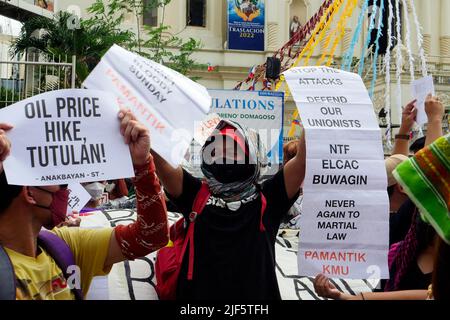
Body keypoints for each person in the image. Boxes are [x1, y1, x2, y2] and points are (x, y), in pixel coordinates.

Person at [0, 110, 169, 300]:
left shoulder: (64, 246)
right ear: (30, 192)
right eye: (62, 183)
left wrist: (142, 165)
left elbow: (152, 236)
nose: (68, 191)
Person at [152, 120, 306, 300]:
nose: (223, 157)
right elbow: (160, 161)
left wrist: (313, 113)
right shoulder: (194, 195)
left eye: (233, 151)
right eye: (215, 152)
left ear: (252, 155)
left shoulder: (270, 198)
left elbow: (302, 160)